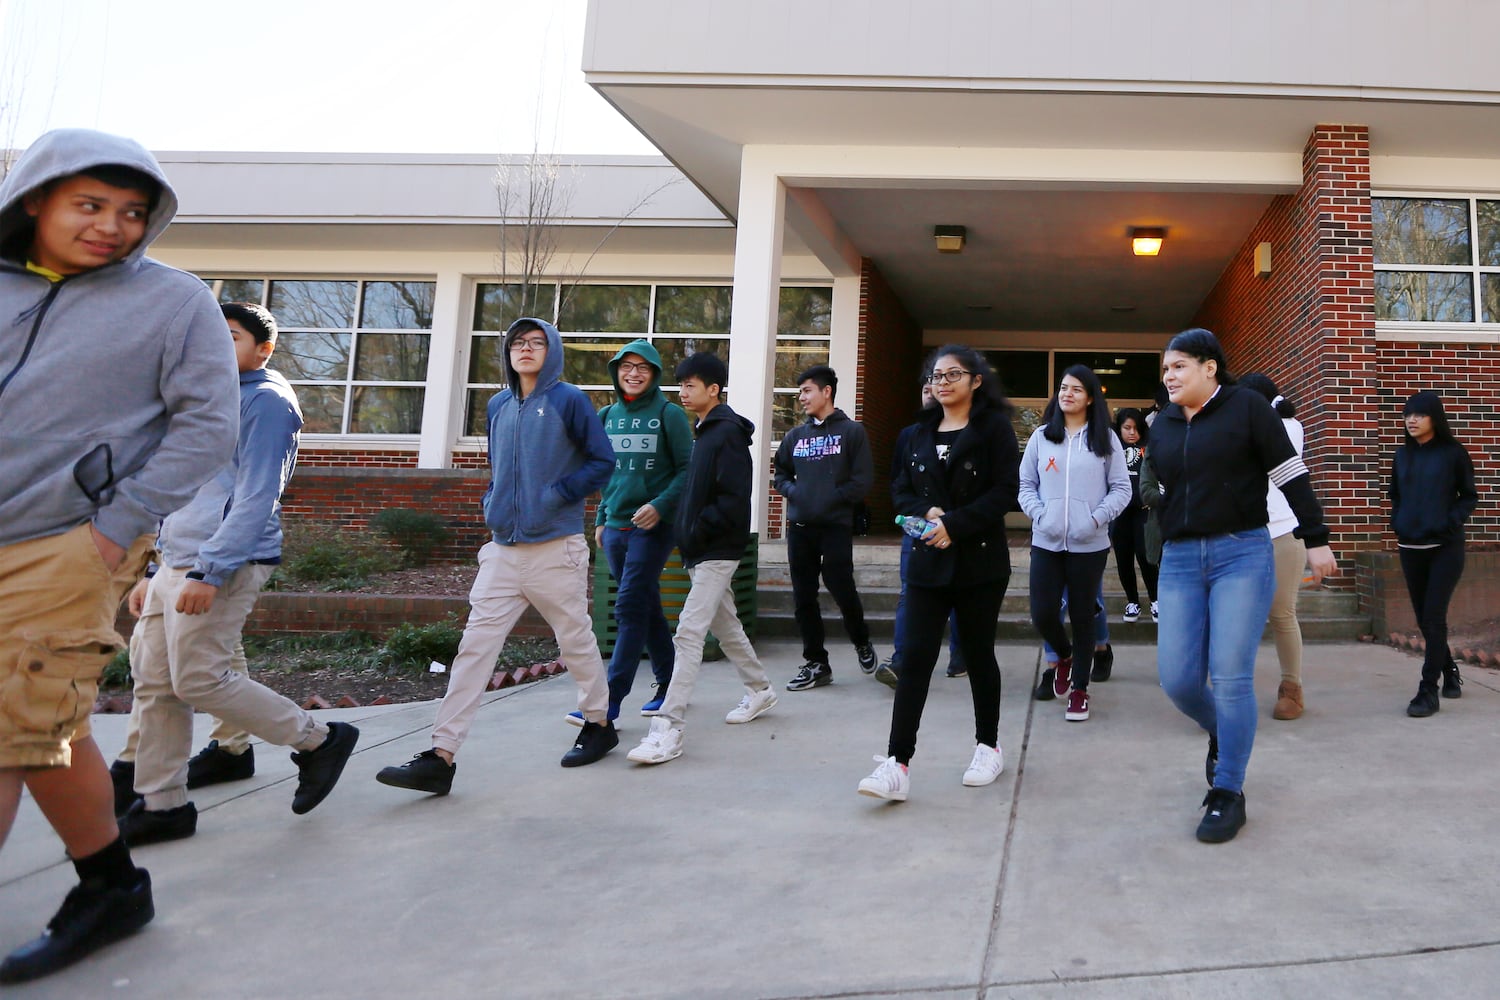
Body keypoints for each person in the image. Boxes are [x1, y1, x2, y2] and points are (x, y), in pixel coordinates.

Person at [0, 128, 240, 983]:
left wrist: (115, 525)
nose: (112, 226)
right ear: (37, 199)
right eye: (89, 205)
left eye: (132, 213)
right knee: (41, 727)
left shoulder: (173, 303)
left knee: (5, 733)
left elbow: (211, 426)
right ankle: (111, 885)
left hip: (64, 543)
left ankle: (110, 888)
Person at [111, 301, 361, 845]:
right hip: (175, 562)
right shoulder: (201, 402)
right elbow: (175, 487)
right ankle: (162, 805)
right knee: (154, 684)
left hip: (223, 564)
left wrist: (211, 570)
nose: (216, 349)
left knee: (199, 679)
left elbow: (256, 497)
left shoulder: (267, 404)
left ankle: (319, 739)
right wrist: (152, 568)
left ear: (262, 349)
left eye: (230, 337)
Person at [376, 317, 616, 794]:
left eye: (536, 342)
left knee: (573, 639)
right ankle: (441, 756)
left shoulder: (568, 400)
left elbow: (602, 461)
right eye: (517, 343)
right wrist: (492, 500)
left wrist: (556, 494)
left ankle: (599, 722)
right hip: (503, 550)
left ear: (553, 351)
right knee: (473, 650)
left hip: (555, 547)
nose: (525, 349)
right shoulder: (499, 404)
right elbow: (498, 465)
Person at [1150, 328, 1337, 844]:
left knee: (1230, 676)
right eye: (1165, 369)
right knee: (1179, 681)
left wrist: (1317, 539)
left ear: (1210, 367)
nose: (1169, 376)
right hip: (1182, 559)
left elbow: (1292, 474)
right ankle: (1224, 732)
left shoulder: (1249, 409)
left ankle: (1228, 791)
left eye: (1179, 366)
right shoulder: (1162, 424)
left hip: (1241, 553)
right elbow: (1162, 486)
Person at [859, 346, 1019, 802]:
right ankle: (897, 763)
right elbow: (899, 490)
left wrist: (955, 524)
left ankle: (988, 745)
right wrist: (923, 511)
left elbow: (1005, 492)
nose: (942, 381)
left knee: (978, 654)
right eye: (936, 374)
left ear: (976, 381)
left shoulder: (994, 431)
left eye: (953, 374)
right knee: (914, 660)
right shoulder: (913, 435)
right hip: (928, 560)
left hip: (979, 563)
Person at [627, 352, 777, 765]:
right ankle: (760, 688)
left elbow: (732, 499)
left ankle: (667, 727)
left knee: (689, 632)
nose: (683, 392)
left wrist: (697, 530)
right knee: (726, 625)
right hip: (701, 547)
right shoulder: (704, 431)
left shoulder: (724, 433)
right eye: (682, 385)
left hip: (716, 549)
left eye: (690, 385)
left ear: (713, 389)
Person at [581, 340, 694, 725]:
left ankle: (607, 702)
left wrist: (660, 506)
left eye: (642, 367)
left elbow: (687, 471)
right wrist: (601, 516)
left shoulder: (670, 414)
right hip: (614, 529)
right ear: (616, 371)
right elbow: (603, 471)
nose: (634, 373)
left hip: (653, 527)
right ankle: (670, 684)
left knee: (628, 606)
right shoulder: (606, 415)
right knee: (646, 608)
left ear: (655, 374)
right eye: (626, 366)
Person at [1017, 366, 1130, 722]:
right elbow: (1025, 486)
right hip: (1047, 542)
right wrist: (1040, 516)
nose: (1067, 394)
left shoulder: (1106, 440)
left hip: (1089, 544)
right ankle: (1064, 658)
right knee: (1043, 612)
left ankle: (1079, 689)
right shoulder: (1040, 437)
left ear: (1091, 397)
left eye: (1076, 389)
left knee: (1082, 616)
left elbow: (1122, 489)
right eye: (1064, 388)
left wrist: (1095, 519)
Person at [775, 364, 878, 690]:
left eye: (806, 390)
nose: (801, 397)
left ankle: (861, 641)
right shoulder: (795, 436)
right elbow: (780, 475)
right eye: (800, 391)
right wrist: (797, 493)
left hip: (834, 526)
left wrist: (831, 498)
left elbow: (863, 481)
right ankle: (816, 663)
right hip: (801, 528)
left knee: (841, 587)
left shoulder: (851, 432)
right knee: (803, 597)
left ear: (826, 391)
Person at [1390, 391, 1478, 718]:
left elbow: (1469, 496)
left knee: (1432, 618)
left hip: (1445, 549)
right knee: (1426, 621)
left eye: (1419, 414)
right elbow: (1395, 496)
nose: (1411, 420)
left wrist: (1448, 522)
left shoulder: (1453, 454)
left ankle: (1428, 691)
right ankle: (1450, 669)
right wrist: (1398, 521)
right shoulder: (1402, 456)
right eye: (1407, 414)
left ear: (1434, 418)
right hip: (1410, 548)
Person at [877, 379, 964, 688]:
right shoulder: (909, 436)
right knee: (909, 593)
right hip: (917, 528)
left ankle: (960, 655)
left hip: (958, 529)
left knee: (958, 593)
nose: (931, 393)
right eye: (925, 389)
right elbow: (899, 483)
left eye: (936, 388)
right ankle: (902, 660)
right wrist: (923, 512)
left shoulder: (967, 433)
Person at [1238, 373, 1310, 721]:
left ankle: (1292, 688)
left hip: (1283, 532)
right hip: (1242, 534)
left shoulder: (1290, 427)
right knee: (1233, 616)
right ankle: (1229, 689)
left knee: (1281, 613)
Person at [1111, 407, 1159, 624]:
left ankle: (1155, 600)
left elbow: (1160, 476)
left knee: (1146, 556)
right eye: (1127, 428)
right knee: (1123, 559)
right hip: (1119, 514)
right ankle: (1132, 601)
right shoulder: (1111, 448)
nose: (1132, 433)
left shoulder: (1150, 448)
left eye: (1136, 428)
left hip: (1143, 512)